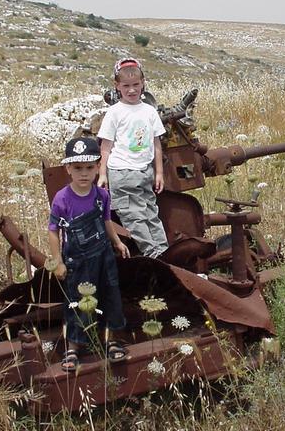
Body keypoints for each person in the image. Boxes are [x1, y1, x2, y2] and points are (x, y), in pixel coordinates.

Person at [48, 137, 130, 371]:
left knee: (110, 296)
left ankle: (112, 341)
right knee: (77, 301)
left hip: (103, 256)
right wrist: (58, 262)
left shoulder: (101, 196)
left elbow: (106, 221)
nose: (83, 174)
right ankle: (74, 348)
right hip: (77, 260)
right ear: (68, 169)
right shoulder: (62, 199)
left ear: (97, 167)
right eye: (77, 169)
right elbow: (53, 232)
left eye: (89, 168)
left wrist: (116, 243)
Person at [97, 58, 169, 258]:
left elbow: (156, 143)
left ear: (143, 83)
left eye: (136, 85)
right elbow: (106, 146)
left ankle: (164, 252)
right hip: (122, 173)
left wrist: (159, 173)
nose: (131, 90)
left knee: (150, 213)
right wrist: (103, 174)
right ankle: (153, 256)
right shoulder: (114, 113)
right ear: (117, 86)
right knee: (134, 217)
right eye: (126, 86)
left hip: (145, 171)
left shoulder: (149, 111)